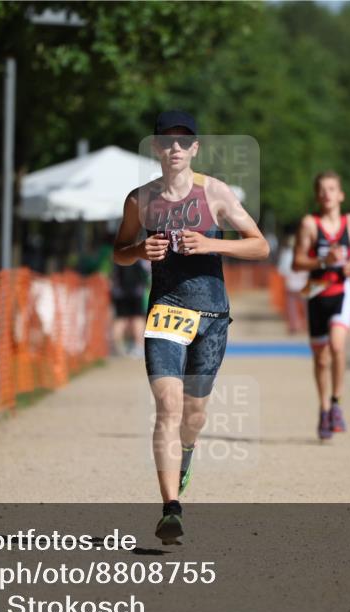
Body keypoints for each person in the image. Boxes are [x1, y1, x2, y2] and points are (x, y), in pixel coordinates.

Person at [113, 110, 269, 544]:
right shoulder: (139, 200)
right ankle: (170, 509)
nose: (176, 149)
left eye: (184, 142)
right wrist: (141, 249)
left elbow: (260, 245)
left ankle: (186, 453)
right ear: (157, 148)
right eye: (168, 142)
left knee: (194, 416)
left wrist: (210, 242)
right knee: (168, 406)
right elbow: (120, 252)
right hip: (165, 310)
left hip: (212, 316)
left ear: (194, 148)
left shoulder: (214, 192)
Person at [292, 171, 350, 440]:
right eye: (322, 190)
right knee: (320, 358)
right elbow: (297, 262)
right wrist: (323, 262)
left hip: (342, 291)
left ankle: (337, 402)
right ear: (317, 195)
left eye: (332, 189)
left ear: (341, 194)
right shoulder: (310, 224)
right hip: (316, 293)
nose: (327, 194)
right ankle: (324, 407)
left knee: (337, 345)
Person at [111, 260, 150, 357]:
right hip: (136, 293)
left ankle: (116, 348)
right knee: (138, 319)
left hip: (120, 294)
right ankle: (139, 346)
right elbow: (145, 274)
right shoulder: (139, 257)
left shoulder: (118, 255)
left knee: (120, 319)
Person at [276, 231, 308, 334]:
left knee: (292, 306)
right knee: (306, 306)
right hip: (303, 283)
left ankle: (294, 325)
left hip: (291, 284)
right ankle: (306, 324)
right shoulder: (304, 253)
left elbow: (282, 270)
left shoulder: (286, 254)